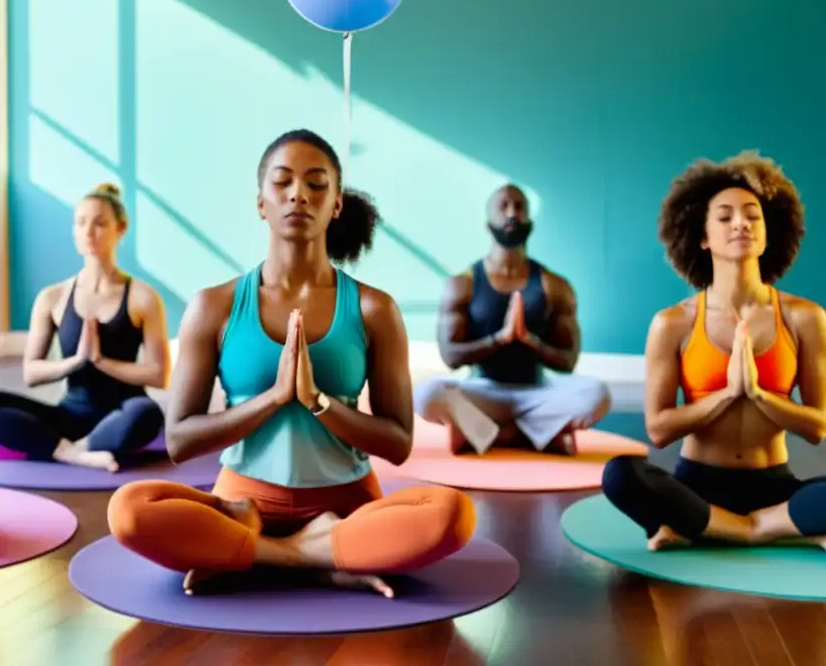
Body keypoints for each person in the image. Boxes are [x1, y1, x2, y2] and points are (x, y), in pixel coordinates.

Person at [106, 129, 477, 597]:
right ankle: (312, 557)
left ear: (336, 203)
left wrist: (318, 402)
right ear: (261, 202)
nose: (299, 193)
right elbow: (180, 440)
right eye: (282, 182)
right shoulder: (214, 306)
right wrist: (275, 399)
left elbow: (398, 442)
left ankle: (251, 554)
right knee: (130, 508)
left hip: (345, 507)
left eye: (316, 183)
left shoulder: (373, 310)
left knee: (452, 514)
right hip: (241, 503)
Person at [601, 151, 826, 551]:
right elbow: (659, 429)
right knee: (620, 475)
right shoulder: (673, 323)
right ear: (702, 236)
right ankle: (761, 529)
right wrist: (728, 393)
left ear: (768, 230)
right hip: (697, 485)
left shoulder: (804, 317)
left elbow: (818, 427)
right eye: (725, 217)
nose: (741, 223)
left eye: (752, 215)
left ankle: (717, 528)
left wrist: (758, 394)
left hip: (775, 483)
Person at [414, 184, 610, 457]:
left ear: (529, 221)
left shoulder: (554, 285)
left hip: (537, 393)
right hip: (483, 391)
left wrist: (530, 341)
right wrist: (501, 338)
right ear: (488, 223)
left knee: (597, 393)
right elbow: (451, 356)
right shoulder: (463, 283)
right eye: (504, 206)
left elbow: (569, 361)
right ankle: (536, 434)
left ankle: (488, 434)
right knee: (425, 393)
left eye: (519, 207)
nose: (512, 213)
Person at [0, 184, 169, 472]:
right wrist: (75, 362)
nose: (88, 231)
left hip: (123, 414)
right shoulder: (53, 297)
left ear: (120, 228)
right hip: (69, 415)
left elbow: (159, 375)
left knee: (147, 413)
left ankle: (74, 447)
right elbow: (31, 373)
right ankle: (72, 451)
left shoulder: (143, 298)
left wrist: (100, 361)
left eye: (99, 223)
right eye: (81, 222)